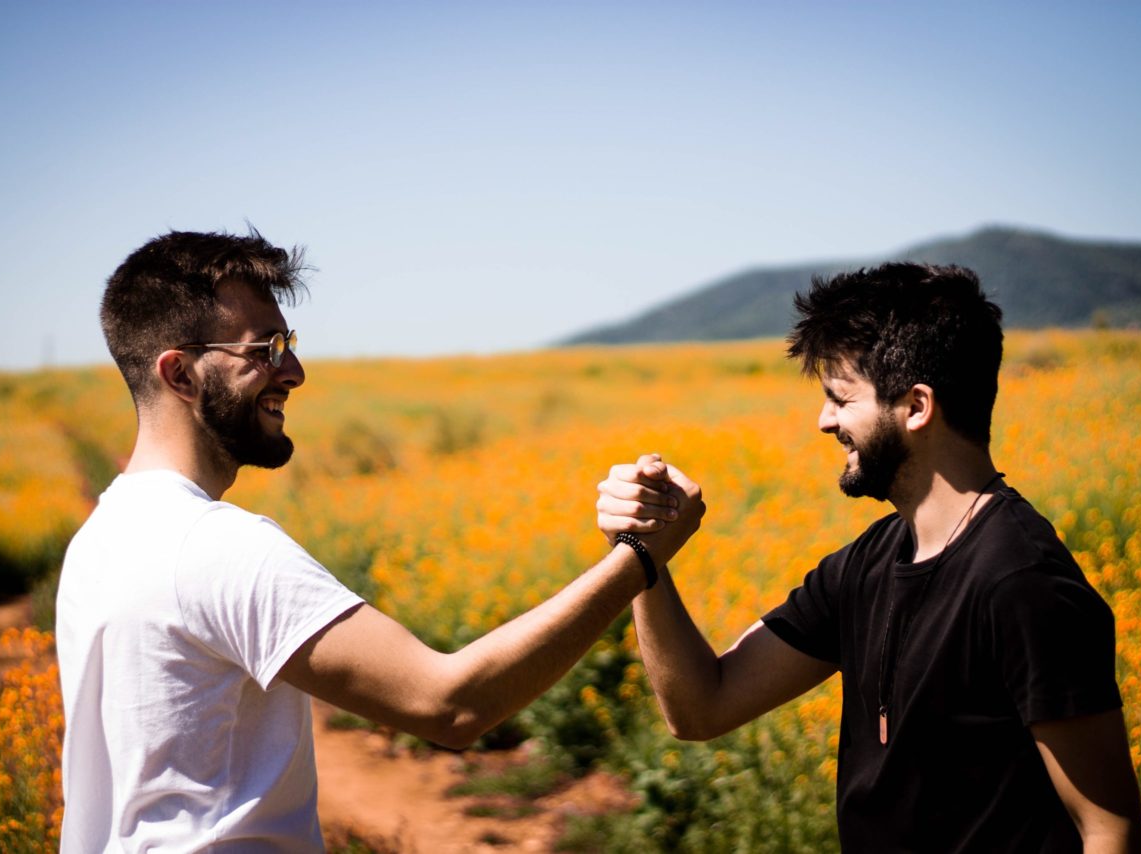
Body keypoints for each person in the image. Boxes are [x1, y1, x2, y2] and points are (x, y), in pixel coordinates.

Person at [55, 229, 704, 850]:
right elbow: (449, 705)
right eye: (263, 350)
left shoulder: (102, 538)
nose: (295, 371)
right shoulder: (215, 546)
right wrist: (641, 559)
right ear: (180, 375)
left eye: (289, 342)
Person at [597, 263, 1141, 852]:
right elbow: (701, 708)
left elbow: (1109, 829)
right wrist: (643, 556)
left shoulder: (1022, 583)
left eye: (840, 398)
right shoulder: (867, 563)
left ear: (916, 407)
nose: (824, 421)